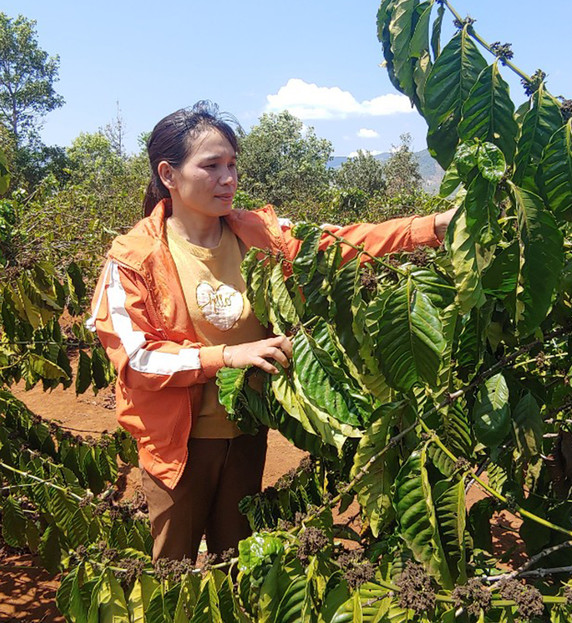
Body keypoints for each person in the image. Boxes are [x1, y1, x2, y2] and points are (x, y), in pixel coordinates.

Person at [87, 101, 454, 563]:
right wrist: (227, 356)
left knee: (237, 560)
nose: (229, 179)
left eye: (233, 165)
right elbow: (135, 357)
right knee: (173, 569)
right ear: (168, 174)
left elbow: (337, 243)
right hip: (176, 447)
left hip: (247, 429)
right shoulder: (133, 257)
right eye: (212, 166)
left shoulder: (257, 232)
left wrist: (430, 227)